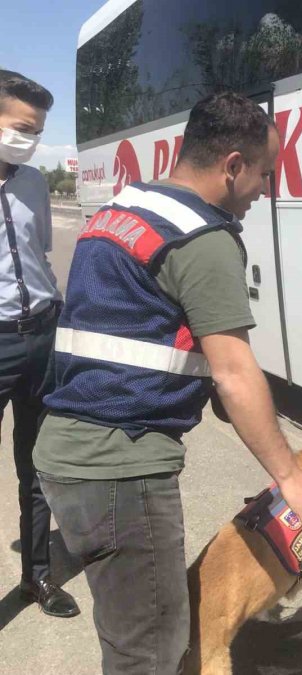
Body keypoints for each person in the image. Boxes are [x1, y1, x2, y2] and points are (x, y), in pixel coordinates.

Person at [33, 92, 302, 673]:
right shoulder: (202, 237)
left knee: (127, 632)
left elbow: (144, 333)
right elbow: (232, 369)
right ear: (232, 166)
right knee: (150, 651)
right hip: (120, 467)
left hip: (68, 455)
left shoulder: (123, 209)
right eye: (264, 175)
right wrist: (292, 477)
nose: (264, 191)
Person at [0, 70, 79, 619]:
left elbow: (38, 257)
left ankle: (37, 577)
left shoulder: (31, 183)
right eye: (22, 127)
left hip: (43, 336)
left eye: (37, 130)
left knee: (40, 463)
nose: (29, 140)